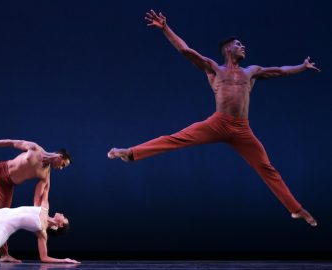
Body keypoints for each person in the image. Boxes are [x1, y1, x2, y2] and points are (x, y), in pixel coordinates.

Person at [108, 10, 319, 227]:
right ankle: (131, 153)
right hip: (218, 123)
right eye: (239, 44)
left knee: (267, 168)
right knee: (175, 138)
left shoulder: (251, 71)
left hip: (242, 129)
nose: (243, 46)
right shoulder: (214, 69)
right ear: (228, 48)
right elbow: (185, 50)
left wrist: (302, 67)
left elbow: (280, 71)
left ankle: (296, 209)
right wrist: (165, 28)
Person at [0, 177, 79, 264]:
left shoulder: (42, 233)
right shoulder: (44, 208)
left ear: (60, 224)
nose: (62, 214)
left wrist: (63, 260)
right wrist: (48, 167)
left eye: (64, 217)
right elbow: (46, 186)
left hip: (4, 228)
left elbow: (44, 257)